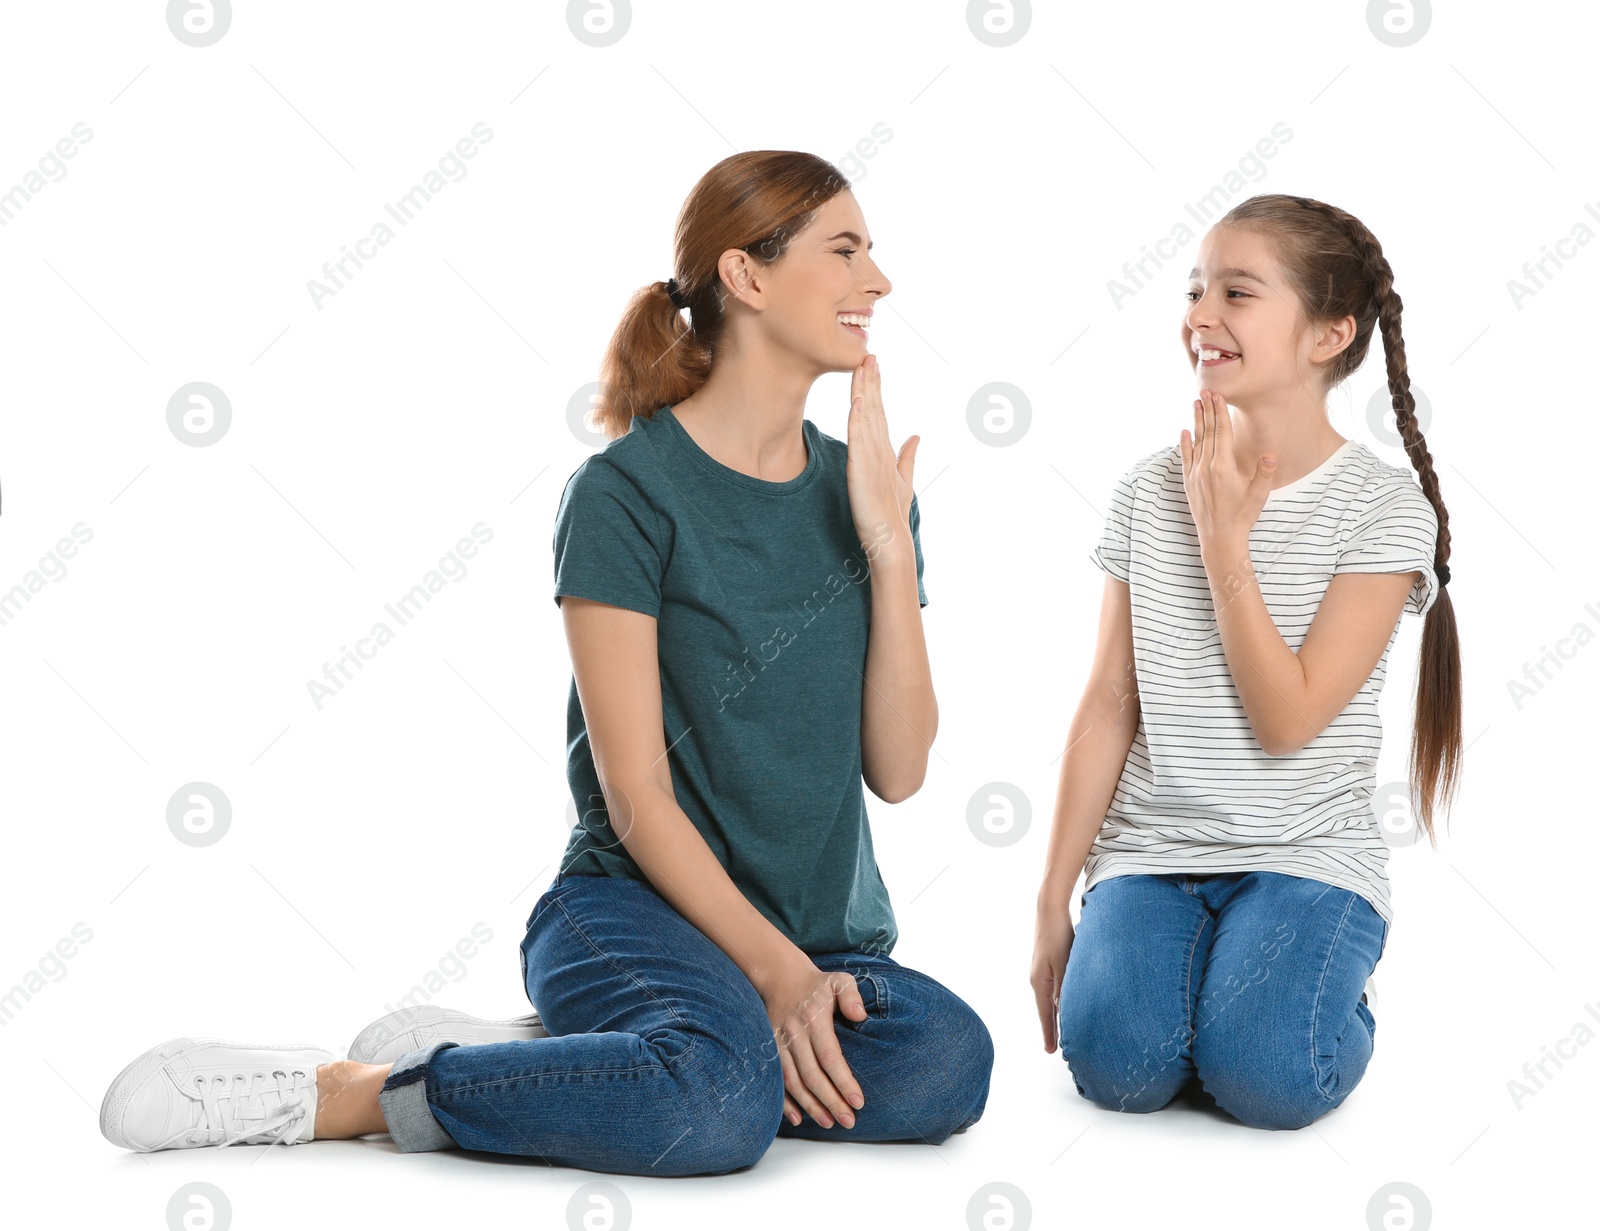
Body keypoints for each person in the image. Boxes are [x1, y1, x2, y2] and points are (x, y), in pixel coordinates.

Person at [99, 151, 993, 1174]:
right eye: (845, 251)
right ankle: (353, 1096)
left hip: (814, 939)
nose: (877, 281)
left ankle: (611, 1056)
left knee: (947, 1062)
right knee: (717, 1108)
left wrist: (886, 551)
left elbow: (901, 769)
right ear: (746, 276)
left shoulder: (868, 490)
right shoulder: (625, 493)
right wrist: (776, 976)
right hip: (629, 913)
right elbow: (635, 796)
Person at [1029, 194, 1462, 1130]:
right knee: (1115, 1068)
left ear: (1328, 334)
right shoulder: (1150, 486)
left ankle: (1298, 987)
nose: (1197, 317)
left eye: (1237, 292)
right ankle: (1204, 992)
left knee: (1269, 1077)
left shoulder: (1383, 511)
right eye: (1194, 291)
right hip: (1152, 850)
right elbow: (1109, 702)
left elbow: (1289, 719)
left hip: (1305, 857)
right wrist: (1052, 896)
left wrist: (1227, 542)